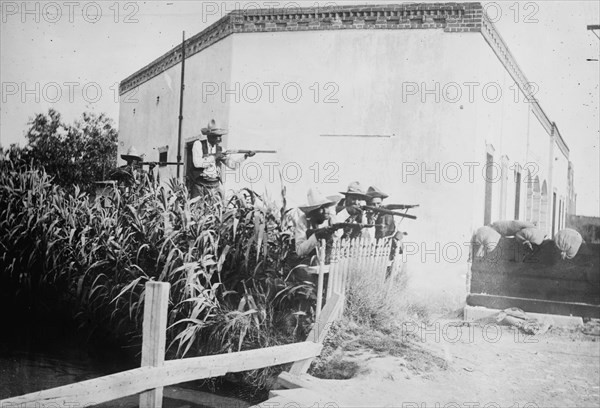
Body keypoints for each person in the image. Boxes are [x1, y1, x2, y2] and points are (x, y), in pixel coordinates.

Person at [190, 119, 254, 198]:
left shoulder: (220, 149)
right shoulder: (198, 144)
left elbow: (233, 165)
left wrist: (245, 156)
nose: (219, 139)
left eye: (220, 136)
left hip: (215, 186)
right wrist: (215, 156)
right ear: (209, 136)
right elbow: (197, 163)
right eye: (216, 136)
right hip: (200, 186)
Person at [288, 187, 340, 259]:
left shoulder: (332, 219)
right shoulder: (303, 221)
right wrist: (316, 236)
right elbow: (299, 251)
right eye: (321, 208)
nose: (326, 211)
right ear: (313, 211)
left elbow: (338, 243)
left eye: (327, 206)